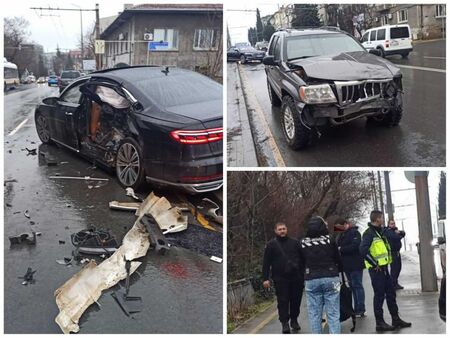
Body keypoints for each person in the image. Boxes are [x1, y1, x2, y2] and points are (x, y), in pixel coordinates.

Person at [360, 210, 411, 332]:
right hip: (376, 269)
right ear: (377, 219)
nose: (383, 219)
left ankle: (395, 318)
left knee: (391, 293)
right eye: (382, 217)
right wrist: (374, 263)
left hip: (384, 268)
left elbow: (395, 236)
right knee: (379, 295)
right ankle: (380, 323)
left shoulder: (381, 231)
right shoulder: (368, 233)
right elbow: (363, 250)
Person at [300, 216, 342, 334]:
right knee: (333, 314)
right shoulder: (330, 240)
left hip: (311, 278)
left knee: (314, 315)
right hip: (330, 277)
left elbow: (301, 262)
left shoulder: (303, 242)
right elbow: (338, 259)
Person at [262, 222, 305, 334]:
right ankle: (284, 323)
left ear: (287, 230)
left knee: (296, 300)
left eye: (284, 229)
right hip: (280, 278)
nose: (282, 231)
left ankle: (294, 320)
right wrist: (265, 278)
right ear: (275, 231)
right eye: (280, 229)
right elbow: (266, 263)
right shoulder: (271, 245)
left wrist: (303, 274)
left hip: (296, 277)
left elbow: (303, 259)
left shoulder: (295, 243)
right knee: (283, 301)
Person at [334, 218, 366, 317]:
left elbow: (355, 246)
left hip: (355, 264)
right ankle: (356, 308)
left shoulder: (354, 233)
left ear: (346, 224)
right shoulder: (340, 235)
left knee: (357, 285)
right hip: (347, 265)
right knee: (352, 286)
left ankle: (360, 308)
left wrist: (341, 249)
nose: (338, 229)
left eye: (339, 227)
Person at [385, 219, 406, 290]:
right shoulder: (388, 231)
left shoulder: (395, 230)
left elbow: (403, 233)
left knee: (398, 268)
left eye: (394, 223)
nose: (393, 225)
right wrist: (399, 235)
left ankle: (395, 283)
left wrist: (399, 232)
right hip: (392, 253)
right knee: (394, 269)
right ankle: (392, 284)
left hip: (397, 252)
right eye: (391, 224)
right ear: (388, 224)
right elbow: (395, 237)